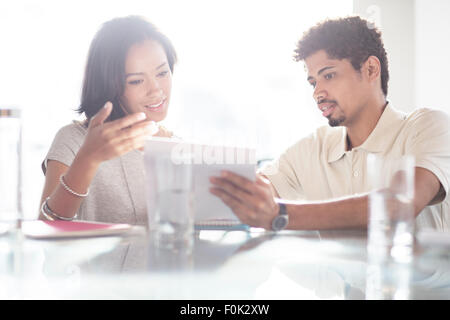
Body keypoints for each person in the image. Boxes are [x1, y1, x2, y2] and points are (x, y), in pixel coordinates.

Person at [210, 16, 450, 232]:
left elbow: (400, 204)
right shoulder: (314, 147)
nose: (317, 93)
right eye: (313, 82)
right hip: (339, 282)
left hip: (417, 283)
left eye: (329, 75)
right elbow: (257, 191)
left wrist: (279, 214)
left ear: (371, 69)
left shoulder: (428, 127)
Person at [39, 16, 177, 224]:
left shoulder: (181, 148)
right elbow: (47, 227)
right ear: (110, 86)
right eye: (137, 80)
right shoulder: (75, 140)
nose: (156, 89)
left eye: (162, 73)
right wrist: (88, 159)